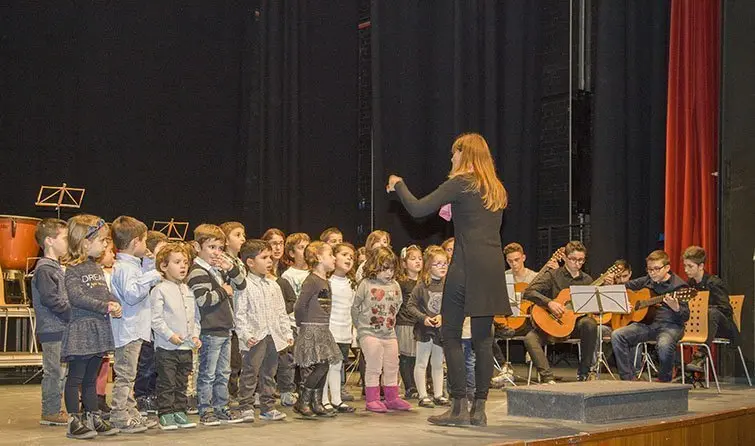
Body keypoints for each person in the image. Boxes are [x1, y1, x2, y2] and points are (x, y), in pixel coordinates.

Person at [387, 132, 509, 426]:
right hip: (492, 267)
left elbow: (417, 209)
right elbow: (471, 218)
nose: (451, 159)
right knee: (482, 340)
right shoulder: (496, 189)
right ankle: (478, 410)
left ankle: (457, 407)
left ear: (464, 154)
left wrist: (398, 184)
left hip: (465, 266)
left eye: (454, 153)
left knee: (451, 336)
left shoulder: (460, 183)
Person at [62, 215, 121, 439]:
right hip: (81, 330)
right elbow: (76, 297)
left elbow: (103, 292)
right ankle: (74, 421)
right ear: (85, 242)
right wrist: (104, 306)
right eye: (102, 240)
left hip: (98, 330)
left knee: (91, 378)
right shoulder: (73, 269)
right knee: (76, 377)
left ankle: (93, 417)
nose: (106, 245)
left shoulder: (96, 268)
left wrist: (115, 301)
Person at [187, 224, 246, 425]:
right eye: (211, 247)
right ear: (197, 247)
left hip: (224, 328)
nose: (216, 252)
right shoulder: (197, 271)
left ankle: (222, 406)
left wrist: (231, 268)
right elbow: (202, 300)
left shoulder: (218, 270)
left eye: (220, 248)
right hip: (209, 329)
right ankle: (205, 409)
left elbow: (241, 284)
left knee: (224, 372)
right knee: (208, 373)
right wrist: (223, 291)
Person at [109, 216, 163, 433]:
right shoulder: (124, 267)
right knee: (125, 375)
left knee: (129, 374)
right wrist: (152, 275)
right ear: (135, 243)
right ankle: (119, 414)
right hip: (127, 330)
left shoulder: (133, 265)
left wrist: (149, 266)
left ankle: (129, 410)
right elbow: (132, 295)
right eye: (144, 241)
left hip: (135, 329)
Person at [522, 241, 597, 383]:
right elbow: (529, 292)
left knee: (590, 324)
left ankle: (584, 373)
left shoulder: (588, 280)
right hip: (551, 324)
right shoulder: (553, 275)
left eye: (581, 260)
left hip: (574, 326)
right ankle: (547, 377)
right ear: (565, 258)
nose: (577, 263)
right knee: (530, 339)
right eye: (573, 259)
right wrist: (549, 303)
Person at [235, 239, 294, 422]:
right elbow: (240, 314)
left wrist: (287, 333)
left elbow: (281, 313)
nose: (269, 261)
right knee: (250, 372)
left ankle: (268, 407)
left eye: (270, 257)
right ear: (250, 262)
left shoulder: (274, 285)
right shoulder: (244, 285)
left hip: (273, 336)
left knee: (270, 372)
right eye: (264, 257)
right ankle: (245, 405)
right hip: (255, 337)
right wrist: (245, 335)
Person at [610, 250, 690, 382]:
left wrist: (676, 308)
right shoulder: (648, 280)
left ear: (667, 268)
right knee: (617, 335)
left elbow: (685, 315)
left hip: (670, 327)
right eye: (650, 269)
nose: (653, 272)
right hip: (648, 325)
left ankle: (664, 381)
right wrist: (625, 302)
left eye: (657, 269)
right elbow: (624, 287)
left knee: (664, 344)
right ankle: (628, 379)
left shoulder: (679, 286)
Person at [351, 247, 412, 413]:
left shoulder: (395, 286)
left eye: (391, 269)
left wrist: (388, 322)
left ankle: (392, 398)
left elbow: (397, 305)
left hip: (389, 333)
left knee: (392, 364)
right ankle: (372, 399)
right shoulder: (365, 284)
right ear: (374, 267)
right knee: (374, 365)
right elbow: (355, 308)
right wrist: (361, 328)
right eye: (384, 269)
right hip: (369, 332)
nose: (388, 273)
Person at [150, 243, 200, 430]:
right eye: (177, 262)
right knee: (167, 382)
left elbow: (195, 317)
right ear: (164, 266)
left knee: (182, 381)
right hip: (167, 348)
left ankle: (180, 411)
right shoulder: (160, 289)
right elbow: (155, 319)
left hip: (186, 347)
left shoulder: (188, 290)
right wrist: (169, 335)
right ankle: (165, 412)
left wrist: (195, 335)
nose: (183, 266)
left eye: (185, 262)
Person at [292, 242, 342, 418]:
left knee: (325, 365)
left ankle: (316, 402)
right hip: (311, 327)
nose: (334, 258)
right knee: (319, 366)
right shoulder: (312, 280)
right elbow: (300, 305)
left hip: (322, 328)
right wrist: (302, 325)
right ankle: (303, 401)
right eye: (330, 255)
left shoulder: (324, 281)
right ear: (319, 258)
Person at [32, 218, 71, 426]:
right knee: (53, 371)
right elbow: (51, 299)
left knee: (60, 371)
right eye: (64, 238)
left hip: (60, 326)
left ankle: (56, 408)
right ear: (49, 240)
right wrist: (71, 313)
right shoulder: (45, 269)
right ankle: (50, 411)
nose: (67, 242)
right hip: (52, 327)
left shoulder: (55, 267)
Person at [405, 245, 449, 408]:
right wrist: (423, 318)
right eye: (438, 264)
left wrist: (442, 316)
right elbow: (410, 305)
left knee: (438, 363)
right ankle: (423, 395)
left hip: (440, 330)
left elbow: (451, 306)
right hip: (424, 329)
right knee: (422, 362)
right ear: (429, 266)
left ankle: (438, 394)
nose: (442, 267)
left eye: (445, 263)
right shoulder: (422, 285)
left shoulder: (447, 285)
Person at [682, 246, 738, 372]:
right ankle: (683, 369)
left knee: (711, 313)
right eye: (685, 266)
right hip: (700, 326)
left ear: (701, 266)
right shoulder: (690, 284)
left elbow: (726, 309)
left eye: (690, 266)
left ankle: (700, 356)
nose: (686, 270)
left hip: (723, 326)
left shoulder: (714, 283)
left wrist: (703, 309)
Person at [134, 230, 170, 415]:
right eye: (161, 250)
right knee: (146, 363)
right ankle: (141, 396)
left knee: (158, 363)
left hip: (161, 325)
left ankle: (154, 394)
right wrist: (149, 263)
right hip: (147, 325)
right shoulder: (145, 268)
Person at [262, 228, 297, 407]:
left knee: (285, 359)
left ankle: (286, 391)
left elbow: (292, 300)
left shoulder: (285, 271)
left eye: (280, 243)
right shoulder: (256, 268)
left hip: (283, 322)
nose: (277, 248)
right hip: (264, 323)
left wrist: (280, 310)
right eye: (273, 243)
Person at [322, 243, 358, 412]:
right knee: (326, 367)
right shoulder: (327, 282)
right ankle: (323, 400)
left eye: (351, 256)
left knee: (337, 366)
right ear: (334, 258)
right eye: (344, 255)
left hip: (344, 331)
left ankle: (336, 399)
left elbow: (352, 309)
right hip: (330, 331)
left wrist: (353, 333)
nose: (349, 258)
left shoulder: (352, 283)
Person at [220, 221, 247, 405]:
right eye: (237, 235)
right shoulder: (222, 261)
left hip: (240, 313)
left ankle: (234, 390)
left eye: (243, 235)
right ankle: (225, 393)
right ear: (226, 240)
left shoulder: (239, 261)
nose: (242, 239)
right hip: (227, 314)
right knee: (228, 359)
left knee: (237, 358)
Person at [395, 244, 423, 399]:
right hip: (405, 323)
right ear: (404, 264)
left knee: (419, 357)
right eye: (413, 259)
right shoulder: (402, 283)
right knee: (407, 356)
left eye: (420, 258)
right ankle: (410, 387)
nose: (418, 262)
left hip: (419, 323)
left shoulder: (424, 282)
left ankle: (420, 386)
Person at [95, 242, 115, 416]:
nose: (112, 256)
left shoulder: (108, 275)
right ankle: (89, 401)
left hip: (106, 325)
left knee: (104, 364)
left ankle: (100, 398)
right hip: (94, 326)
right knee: (92, 365)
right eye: (109, 251)